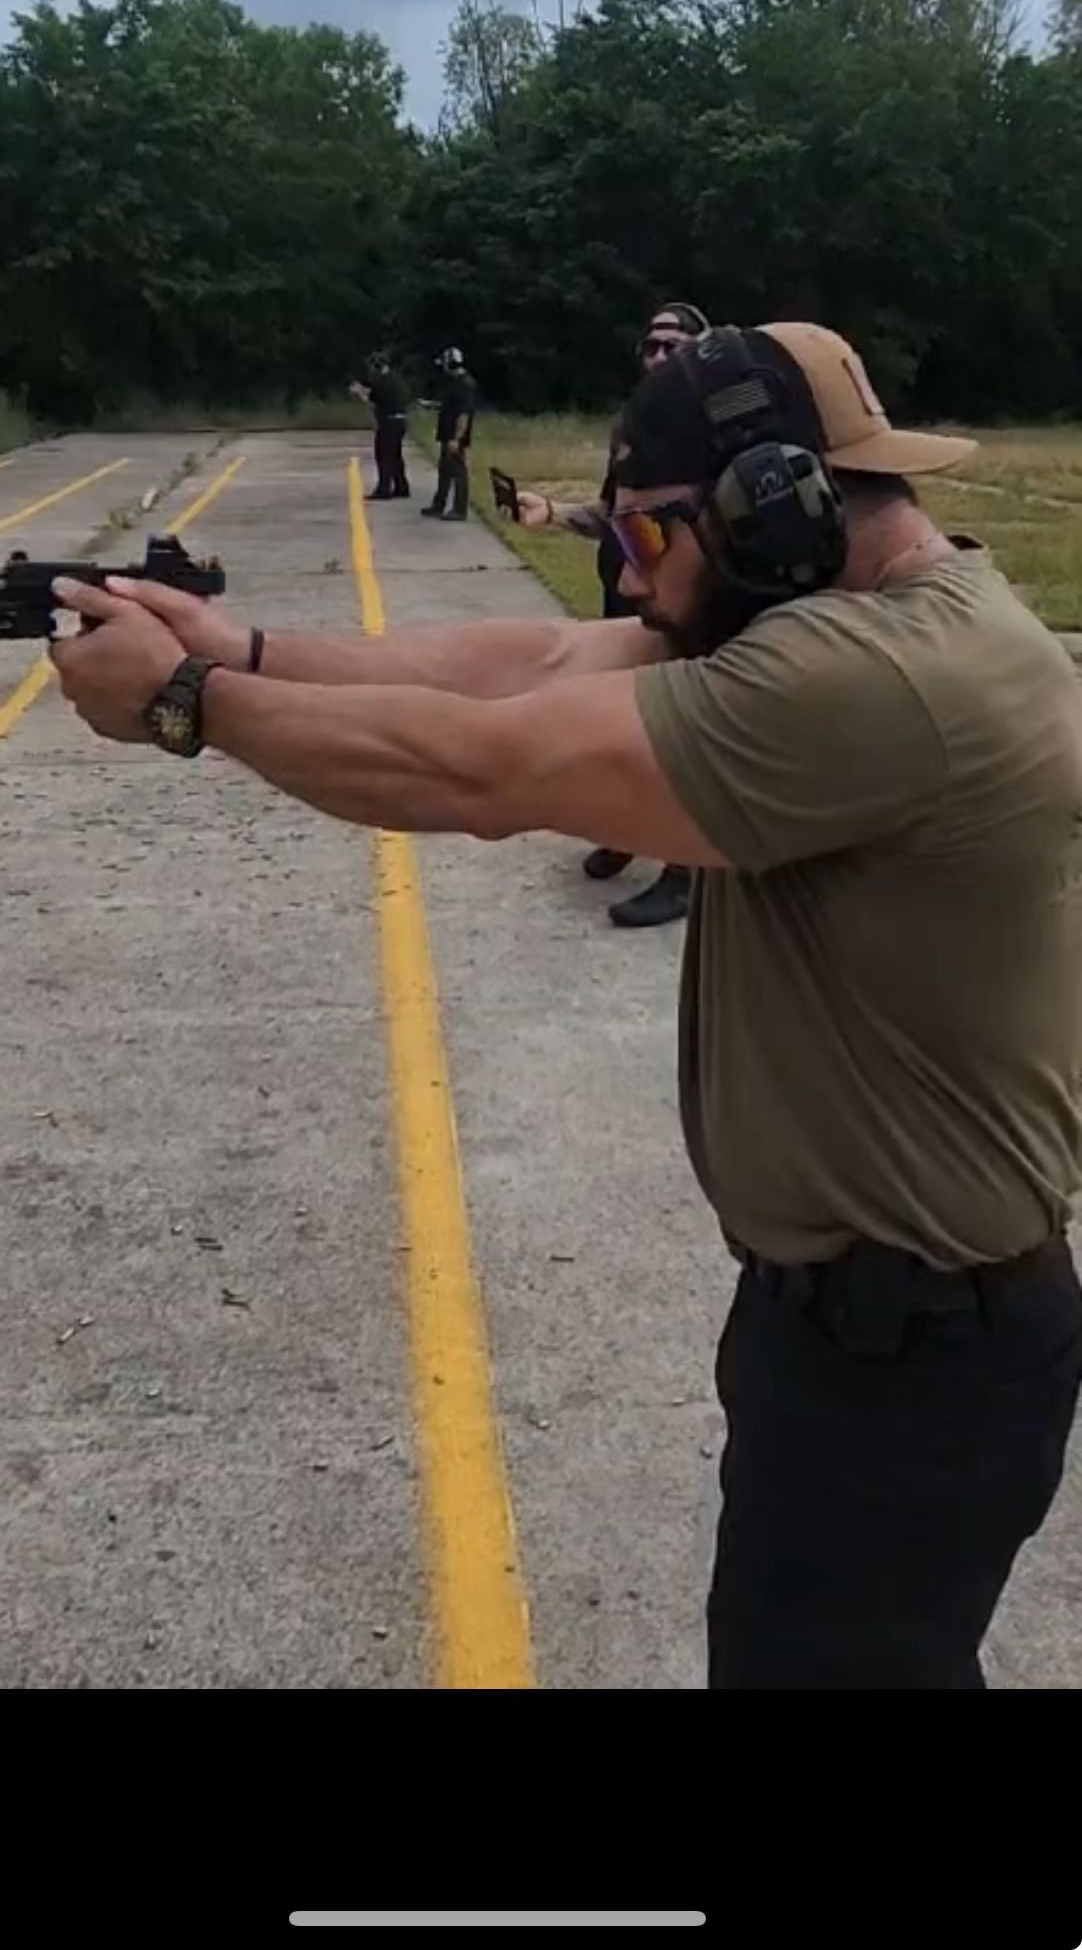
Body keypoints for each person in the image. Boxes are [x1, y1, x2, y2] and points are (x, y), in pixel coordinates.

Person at [52, 319, 1082, 1691]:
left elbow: (485, 770)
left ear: (772, 503)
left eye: (652, 540)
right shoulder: (869, 617)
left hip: (907, 1359)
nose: (641, 586)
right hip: (867, 1330)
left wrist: (190, 703)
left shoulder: (877, 679)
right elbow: (522, 670)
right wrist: (240, 643)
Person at [517, 300, 709, 929]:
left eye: (673, 344)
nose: (658, 355)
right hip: (625, 595)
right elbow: (616, 515)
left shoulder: (713, 427)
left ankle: (685, 871)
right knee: (622, 728)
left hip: (684, 603)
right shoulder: (630, 427)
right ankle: (627, 829)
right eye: (651, 344)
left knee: (677, 734)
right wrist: (552, 511)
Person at [422, 347, 477, 522]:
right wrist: (432, 405)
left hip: (455, 436)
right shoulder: (455, 382)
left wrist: (457, 438)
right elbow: (449, 405)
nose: (443, 367)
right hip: (447, 434)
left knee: (459, 473)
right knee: (444, 471)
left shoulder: (465, 384)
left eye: (445, 363)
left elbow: (463, 414)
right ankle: (439, 505)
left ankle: (459, 510)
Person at [350, 351, 410, 500]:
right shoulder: (394, 378)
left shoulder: (383, 383)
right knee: (395, 455)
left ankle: (384, 489)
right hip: (400, 421)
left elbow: (371, 401)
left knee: (383, 455)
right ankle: (401, 486)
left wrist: (359, 392)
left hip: (389, 422)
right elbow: (372, 385)